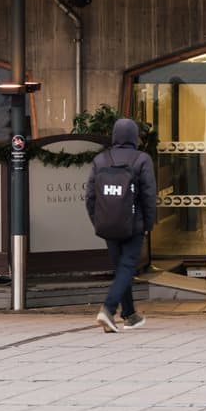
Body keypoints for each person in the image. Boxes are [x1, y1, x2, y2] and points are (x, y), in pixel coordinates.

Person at [85, 116, 156, 333]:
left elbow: (89, 196)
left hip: (107, 223)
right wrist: (148, 223)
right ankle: (108, 309)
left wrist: (97, 219)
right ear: (134, 136)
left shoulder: (101, 160)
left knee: (121, 269)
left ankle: (130, 314)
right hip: (133, 224)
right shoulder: (141, 159)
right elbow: (149, 195)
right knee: (127, 267)